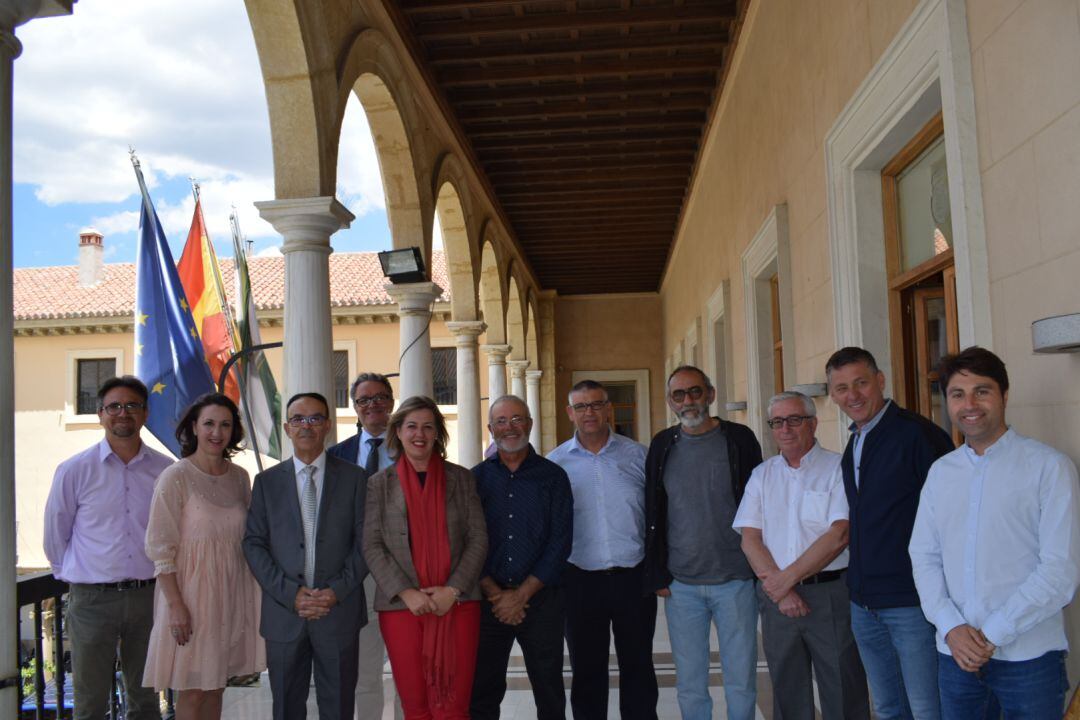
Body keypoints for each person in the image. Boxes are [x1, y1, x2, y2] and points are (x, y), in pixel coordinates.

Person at [909, 347, 1080, 718]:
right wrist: (952, 627)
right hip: (955, 657)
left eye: (982, 391)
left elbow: (1059, 571)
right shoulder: (941, 473)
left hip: (1029, 657)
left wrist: (991, 635)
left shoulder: (1049, 468)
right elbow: (924, 556)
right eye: (957, 394)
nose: (969, 404)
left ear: (1004, 395)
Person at [826, 347, 953, 720]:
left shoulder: (919, 436)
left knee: (928, 708)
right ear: (832, 394)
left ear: (880, 381)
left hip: (911, 603)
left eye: (861, 383)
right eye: (842, 388)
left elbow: (949, 518)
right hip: (864, 603)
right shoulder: (856, 441)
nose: (853, 395)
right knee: (888, 708)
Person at [733, 391, 869, 720]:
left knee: (843, 687)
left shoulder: (840, 467)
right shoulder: (762, 475)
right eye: (777, 422)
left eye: (794, 419)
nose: (786, 428)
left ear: (813, 423)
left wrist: (784, 582)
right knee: (788, 690)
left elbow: (839, 534)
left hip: (830, 595)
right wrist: (782, 591)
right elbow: (749, 539)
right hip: (777, 600)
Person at [44, 376, 172, 720]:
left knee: (146, 701)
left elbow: (173, 535)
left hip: (149, 598)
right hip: (92, 601)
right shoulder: (74, 471)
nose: (122, 413)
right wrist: (77, 577)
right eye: (113, 406)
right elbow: (55, 535)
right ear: (100, 414)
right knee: (89, 702)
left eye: (131, 405)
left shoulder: (166, 471)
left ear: (145, 414)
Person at [643, 365, 763, 720]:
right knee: (691, 682)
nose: (688, 401)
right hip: (682, 585)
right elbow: (653, 508)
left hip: (736, 580)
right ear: (670, 402)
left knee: (740, 679)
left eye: (695, 392)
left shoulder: (739, 438)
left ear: (710, 395)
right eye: (679, 395)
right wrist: (658, 572)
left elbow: (758, 503)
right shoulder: (663, 445)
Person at [242, 392, 369, 720]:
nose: (307, 426)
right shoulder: (266, 482)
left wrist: (335, 592)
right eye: (298, 419)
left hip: (338, 612)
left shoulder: (356, 478)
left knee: (339, 705)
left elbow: (366, 543)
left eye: (315, 418)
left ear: (327, 425)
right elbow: (254, 544)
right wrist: (291, 595)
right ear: (286, 428)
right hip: (284, 616)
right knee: (286, 706)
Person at [363, 396, 488, 720]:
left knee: (455, 704)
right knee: (415, 704)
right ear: (399, 432)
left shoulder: (461, 479)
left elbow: (478, 538)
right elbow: (373, 545)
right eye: (412, 426)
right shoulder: (379, 484)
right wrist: (407, 593)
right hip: (401, 608)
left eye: (428, 427)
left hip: (458, 605)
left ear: (437, 434)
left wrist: (454, 590)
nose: (420, 434)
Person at [142, 393, 266, 719]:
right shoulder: (175, 477)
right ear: (194, 427)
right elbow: (161, 548)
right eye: (209, 423)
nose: (217, 431)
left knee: (217, 686)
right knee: (193, 690)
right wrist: (177, 606)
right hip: (192, 598)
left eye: (225, 424)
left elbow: (249, 536)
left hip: (231, 592)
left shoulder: (240, 477)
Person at [547, 380, 657, 720]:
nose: (589, 412)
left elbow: (656, 514)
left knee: (638, 665)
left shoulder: (638, 455)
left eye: (596, 404)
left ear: (608, 408)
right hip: (580, 579)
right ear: (570, 413)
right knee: (587, 670)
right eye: (581, 406)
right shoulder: (556, 463)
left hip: (633, 577)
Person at [470, 395, 573, 720]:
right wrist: (496, 594)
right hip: (489, 603)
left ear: (529, 424)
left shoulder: (553, 476)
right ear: (490, 429)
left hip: (542, 601)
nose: (509, 427)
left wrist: (521, 595)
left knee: (549, 691)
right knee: (482, 693)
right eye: (501, 421)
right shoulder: (474, 479)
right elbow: (467, 541)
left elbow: (560, 542)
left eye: (517, 419)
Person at [328, 372, 400, 720]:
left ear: (391, 401)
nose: (372, 405)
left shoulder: (412, 445)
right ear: (354, 407)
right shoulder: (336, 456)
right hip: (358, 575)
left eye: (380, 397)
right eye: (363, 400)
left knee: (408, 669)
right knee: (364, 667)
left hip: (406, 572)